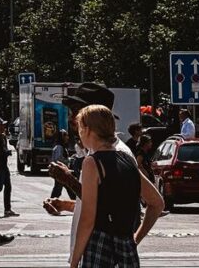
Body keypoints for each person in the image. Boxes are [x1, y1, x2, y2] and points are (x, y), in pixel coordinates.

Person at [68, 105, 163, 268]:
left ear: (88, 130)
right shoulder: (127, 159)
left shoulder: (92, 162)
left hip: (100, 246)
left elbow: (87, 219)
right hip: (126, 247)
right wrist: (135, 238)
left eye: (80, 128)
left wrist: (74, 261)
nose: (79, 133)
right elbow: (157, 203)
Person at [0, 118, 18, 217]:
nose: (4, 127)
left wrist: (7, 153)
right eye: (2, 125)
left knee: (8, 186)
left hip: (4, 165)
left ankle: (7, 209)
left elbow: (3, 150)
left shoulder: (3, 137)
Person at [50, 130, 71, 199]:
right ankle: (51, 202)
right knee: (58, 189)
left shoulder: (61, 146)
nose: (67, 137)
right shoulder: (59, 147)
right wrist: (69, 160)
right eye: (65, 135)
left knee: (62, 188)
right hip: (60, 171)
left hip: (61, 171)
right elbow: (58, 159)